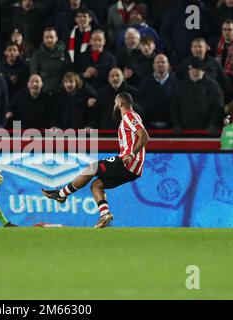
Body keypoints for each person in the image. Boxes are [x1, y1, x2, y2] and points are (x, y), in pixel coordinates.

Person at [42, 92, 149, 228]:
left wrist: (132, 154)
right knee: (96, 185)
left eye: (115, 103)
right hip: (133, 169)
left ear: (121, 103)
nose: (114, 106)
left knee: (92, 168)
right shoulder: (131, 117)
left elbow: (144, 136)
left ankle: (61, 194)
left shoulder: (129, 116)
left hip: (128, 162)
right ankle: (105, 214)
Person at [171, 57, 224, 135]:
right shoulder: (182, 86)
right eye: (192, 70)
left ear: (203, 71)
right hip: (185, 132)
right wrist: (177, 124)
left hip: (206, 132)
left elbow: (218, 107)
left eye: (197, 70)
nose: (194, 73)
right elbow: (174, 107)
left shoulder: (213, 87)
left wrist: (213, 124)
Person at [138, 54, 179, 129]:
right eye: (157, 62)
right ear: (153, 65)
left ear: (168, 65)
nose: (160, 64)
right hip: (149, 126)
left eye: (163, 62)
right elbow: (141, 103)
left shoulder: (176, 83)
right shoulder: (145, 83)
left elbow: (177, 105)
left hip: (170, 126)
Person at [30, 27, 67, 95]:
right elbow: (33, 74)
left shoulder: (64, 53)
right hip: (43, 92)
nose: (49, 40)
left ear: (56, 38)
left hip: (61, 92)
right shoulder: (37, 55)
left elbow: (68, 72)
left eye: (51, 37)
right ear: (43, 39)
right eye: (46, 37)